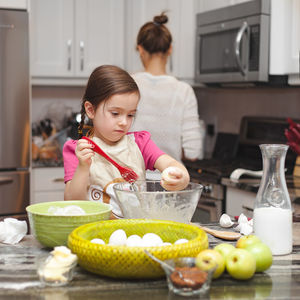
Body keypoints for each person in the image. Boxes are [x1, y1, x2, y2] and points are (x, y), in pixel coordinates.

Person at [63, 65, 190, 218]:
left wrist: (181, 177)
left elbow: (171, 165)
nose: (124, 122)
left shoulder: (140, 143)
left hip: (134, 234)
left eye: (130, 115)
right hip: (93, 235)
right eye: (115, 113)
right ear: (90, 110)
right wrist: (83, 167)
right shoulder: (77, 150)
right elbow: (72, 202)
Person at [130, 12, 204, 168]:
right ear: (170, 49)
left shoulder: (127, 84)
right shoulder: (184, 91)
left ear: (140, 49)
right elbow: (193, 152)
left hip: (134, 180)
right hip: (171, 180)